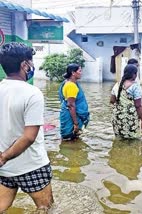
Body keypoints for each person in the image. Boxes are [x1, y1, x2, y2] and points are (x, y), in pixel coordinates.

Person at [0, 42, 53, 211]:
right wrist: (4, 157)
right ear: (24, 64)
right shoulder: (32, 93)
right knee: (46, 207)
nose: (32, 66)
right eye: (31, 61)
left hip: (4, 168)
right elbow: (29, 136)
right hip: (31, 165)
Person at [110, 64, 142, 139]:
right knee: (133, 141)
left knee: (119, 140)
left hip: (117, 117)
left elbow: (112, 100)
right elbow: (138, 106)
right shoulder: (135, 86)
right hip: (130, 118)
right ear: (134, 74)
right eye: (136, 73)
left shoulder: (117, 84)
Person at [58, 63, 90, 140]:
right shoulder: (71, 86)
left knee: (71, 140)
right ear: (73, 72)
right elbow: (71, 105)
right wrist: (76, 124)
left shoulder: (67, 82)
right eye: (79, 71)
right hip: (71, 115)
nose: (81, 73)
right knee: (70, 138)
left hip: (68, 113)